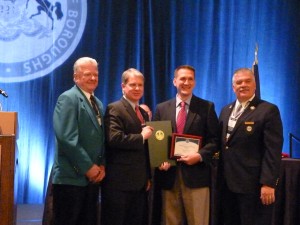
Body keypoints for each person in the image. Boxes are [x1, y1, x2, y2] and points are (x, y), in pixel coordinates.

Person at [153, 65, 219, 225]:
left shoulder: (206, 107)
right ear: (175, 81)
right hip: (169, 178)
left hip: (197, 178)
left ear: (195, 82)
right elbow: (157, 140)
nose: (186, 82)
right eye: (182, 78)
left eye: (190, 79)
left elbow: (215, 140)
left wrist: (200, 155)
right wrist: (160, 160)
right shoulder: (161, 108)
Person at [218, 68, 283, 225]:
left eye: (247, 81)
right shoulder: (225, 110)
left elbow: (272, 150)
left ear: (255, 85)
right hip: (226, 183)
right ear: (233, 87)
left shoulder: (268, 110)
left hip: (252, 185)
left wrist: (268, 183)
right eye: (239, 82)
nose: (243, 85)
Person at [52, 57, 105, 225]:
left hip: (92, 180)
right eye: (87, 74)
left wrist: (102, 165)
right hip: (70, 179)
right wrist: (88, 167)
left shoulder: (98, 103)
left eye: (95, 74)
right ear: (76, 77)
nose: (93, 78)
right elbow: (67, 138)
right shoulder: (68, 98)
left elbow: (101, 139)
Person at [101, 68, 154, 225]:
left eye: (140, 85)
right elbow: (114, 139)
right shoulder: (115, 108)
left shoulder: (143, 113)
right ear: (123, 86)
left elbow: (144, 151)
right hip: (119, 183)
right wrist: (141, 137)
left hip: (139, 183)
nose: (137, 88)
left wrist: (147, 176)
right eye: (132, 85)